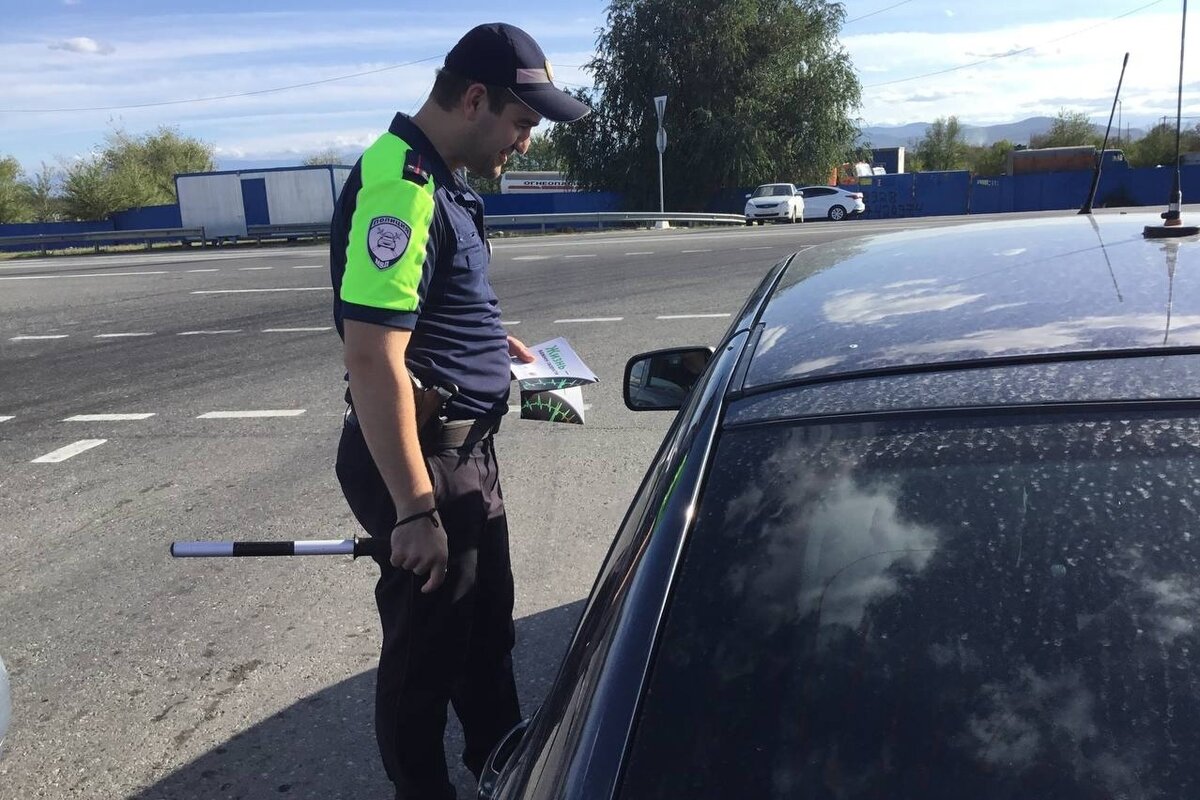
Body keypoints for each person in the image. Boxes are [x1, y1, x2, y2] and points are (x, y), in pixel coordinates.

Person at [328, 22, 590, 800]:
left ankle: (502, 772)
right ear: (475, 98)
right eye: (522, 123)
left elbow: (428, 303)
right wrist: (413, 508)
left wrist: (483, 342)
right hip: (427, 461)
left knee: (485, 639)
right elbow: (372, 354)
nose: (526, 142)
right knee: (426, 659)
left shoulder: (444, 178)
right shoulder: (400, 186)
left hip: (465, 453)